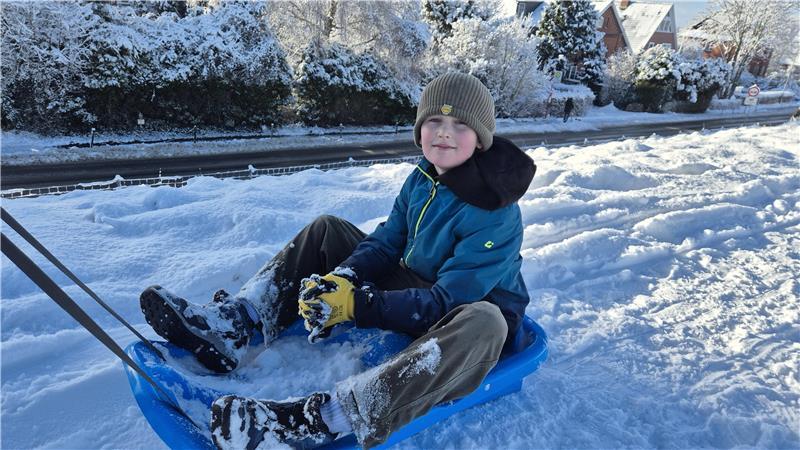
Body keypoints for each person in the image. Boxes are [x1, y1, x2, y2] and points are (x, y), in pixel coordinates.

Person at [139, 72, 536, 450]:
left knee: (488, 322)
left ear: (481, 139)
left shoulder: (494, 212)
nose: (444, 132)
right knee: (327, 228)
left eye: (460, 125)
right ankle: (236, 326)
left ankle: (321, 420)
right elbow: (386, 242)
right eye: (434, 119)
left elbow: (448, 302)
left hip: (465, 322)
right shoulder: (423, 177)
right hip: (418, 286)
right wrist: (344, 278)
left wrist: (357, 305)